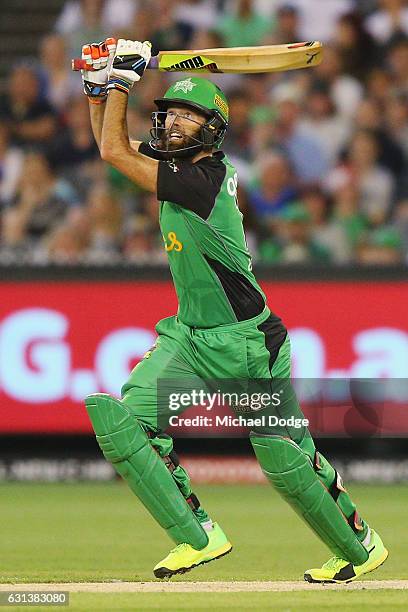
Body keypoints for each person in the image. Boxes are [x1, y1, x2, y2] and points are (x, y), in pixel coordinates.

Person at [81, 37, 388, 582]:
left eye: (188, 117)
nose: (173, 122)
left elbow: (113, 154)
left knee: (285, 459)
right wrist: (97, 86)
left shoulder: (205, 180)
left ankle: (360, 548)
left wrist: (122, 82)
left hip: (247, 344)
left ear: (213, 130)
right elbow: (110, 143)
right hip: (188, 338)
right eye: (169, 112)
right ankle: (197, 537)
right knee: (122, 419)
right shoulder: (180, 168)